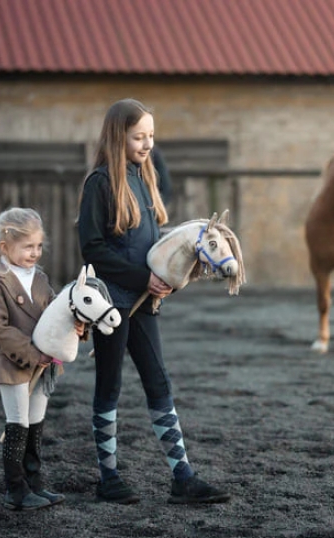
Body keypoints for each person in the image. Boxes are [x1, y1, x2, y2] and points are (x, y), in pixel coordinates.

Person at [76, 98, 230, 505]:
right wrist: (143, 276)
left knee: (158, 381)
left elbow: (151, 242)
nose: (147, 144)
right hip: (110, 304)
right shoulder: (99, 184)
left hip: (144, 303)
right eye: (139, 137)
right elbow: (92, 248)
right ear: (118, 136)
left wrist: (169, 271)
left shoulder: (144, 179)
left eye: (151, 136)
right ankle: (108, 478)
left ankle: (183, 477)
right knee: (109, 386)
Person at [0, 207, 81, 511]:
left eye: (38, 246)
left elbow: (54, 315)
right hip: (14, 365)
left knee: (36, 423)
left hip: (44, 366)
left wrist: (77, 326)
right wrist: (31, 353)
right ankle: (15, 489)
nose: (35, 253)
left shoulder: (40, 279)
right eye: (28, 247)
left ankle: (34, 483)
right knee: (18, 422)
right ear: (5, 247)